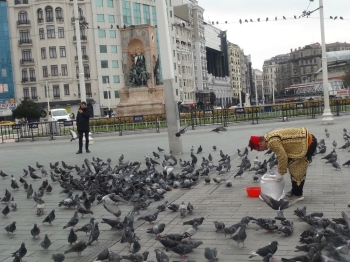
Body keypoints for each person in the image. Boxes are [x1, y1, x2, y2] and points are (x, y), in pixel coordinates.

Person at [248, 127, 317, 201]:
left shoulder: (271, 142)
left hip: (307, 143)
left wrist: (280, 173)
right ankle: (294, 191)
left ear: (260, 144)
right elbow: (283, 156)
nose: (260, 151)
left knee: (297, 169)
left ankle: (298, 194)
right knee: (293, 166)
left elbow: (282, 156)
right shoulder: (268, 138)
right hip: (302, 142)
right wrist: (282, 169)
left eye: (258, 149)